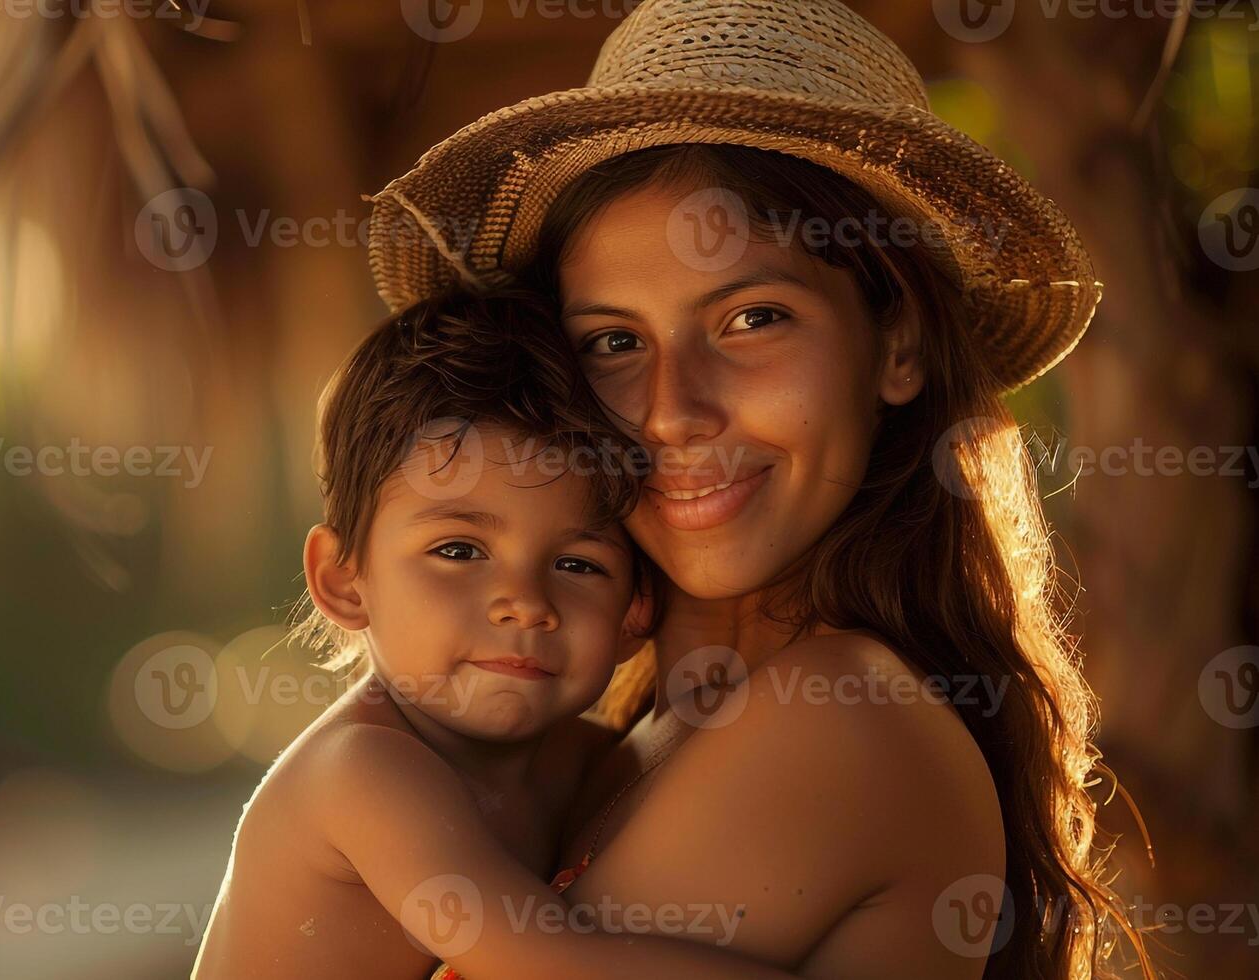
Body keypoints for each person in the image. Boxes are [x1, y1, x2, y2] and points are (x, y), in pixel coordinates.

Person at [364, 1, 1158, 978]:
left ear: (897, 340)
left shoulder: (839, 715)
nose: (672, 411)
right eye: (613, 341)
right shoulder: (635, 732)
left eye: (751, 318)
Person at [192, 287, 808, 980]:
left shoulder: (593, 766)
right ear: (342, 579)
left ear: (634, 611)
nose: (524, 604)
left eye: (577, 565)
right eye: (458, 551)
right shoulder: (360, 774)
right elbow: (552, 968)